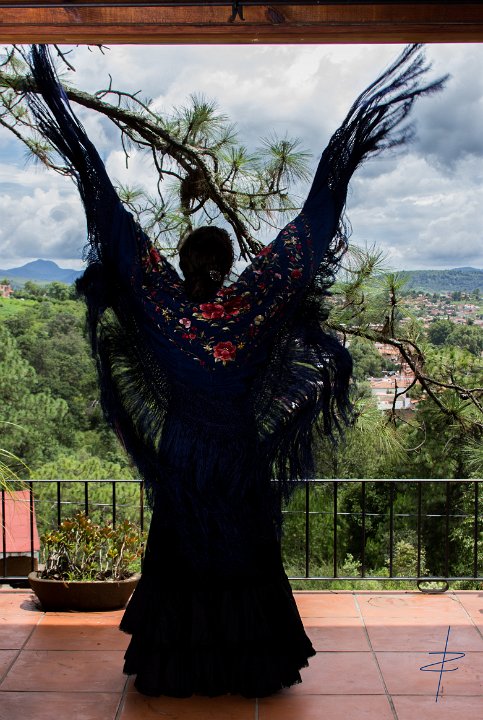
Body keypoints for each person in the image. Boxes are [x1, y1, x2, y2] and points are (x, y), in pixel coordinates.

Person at [26, 44, 445, 698]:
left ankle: (177, 667)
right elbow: (307, 233)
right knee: (245, 552)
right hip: (239, 456)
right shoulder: (254, 305)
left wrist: (72, 131)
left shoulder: (162, 304)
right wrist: (339, 156)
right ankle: (249, 667)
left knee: (181, 554)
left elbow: (110, 214)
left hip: (183, 454)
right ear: (226, 267)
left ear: (183, 261)